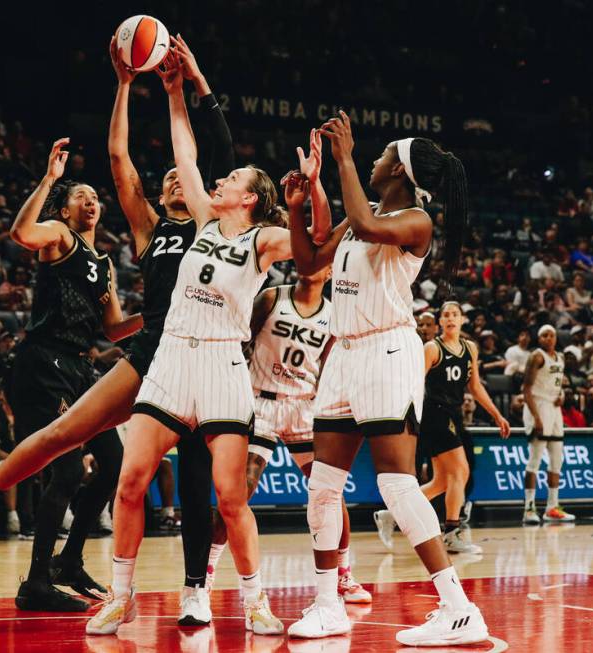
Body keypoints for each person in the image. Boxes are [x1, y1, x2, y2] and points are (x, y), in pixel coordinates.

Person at [0, 35, 241, 625]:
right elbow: (120, 161)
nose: (179, 179)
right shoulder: (150, 228)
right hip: (154, 350)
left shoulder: (212, 221)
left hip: (208, 357)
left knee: (196, 482)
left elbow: (216, 156)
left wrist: (193, 87)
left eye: (186, 175)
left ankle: (195, 587)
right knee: (63, 433)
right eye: (170, 177)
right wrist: (125, 84)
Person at [86, 44, 294, 636]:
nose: (218, 180)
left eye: (232, 180)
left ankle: (254, 599)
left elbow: (312, 247)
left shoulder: (263, 240)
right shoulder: (202, 217)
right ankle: (121, 595)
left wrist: (314, 201)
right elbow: (186, 149)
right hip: (172, 357)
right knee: (130, 481)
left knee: (230, 496)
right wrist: (175, 91)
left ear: (249, 198)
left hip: (224, 366)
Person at [285, 115, 488, 645]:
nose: (372, 159)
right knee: (323, 488)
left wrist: (344, 160)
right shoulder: (362, 216)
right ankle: (328, 604)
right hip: (345, 353)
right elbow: (308, 263)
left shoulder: (416, 220)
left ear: (399, 167)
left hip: (387, 349)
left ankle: (458, 608)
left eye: (379, 156)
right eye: (366, 156)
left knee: (395, 484)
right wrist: (297, 207)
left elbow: (371, 228)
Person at [0, 139, 140, 612]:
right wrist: (48, 179)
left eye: (95, 196)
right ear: (64, 211)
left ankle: (69, 560)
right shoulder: (58, 238)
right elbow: (21, 232)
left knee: (112, 463)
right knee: (65, 469)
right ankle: (36, 581)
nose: (92, 201)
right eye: (81, 196)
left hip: (83, 367)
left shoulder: (104, 263)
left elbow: (114, 328)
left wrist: (158, 313)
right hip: (42, 360)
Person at [205, 265, 374, 605]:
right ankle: (204, 575)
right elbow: (239, 341)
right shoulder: (271, 298)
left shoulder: (334, 315)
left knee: (329, 490)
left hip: (304, 408)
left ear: (328, 272)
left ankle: (344, 575)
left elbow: (330, 367)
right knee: (238, 492)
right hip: (260, 403)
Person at [378, 301, 510, 555]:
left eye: (455, 314)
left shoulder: (470, 348)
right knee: (461, 471)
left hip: (454, 414)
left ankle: (391, 515)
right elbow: (414, 382)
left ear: (462, 320)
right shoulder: (432, 348)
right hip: (433, 414)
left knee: (442, 482)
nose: (450, 318)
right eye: (445, 315)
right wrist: (405, 415)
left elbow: (475, 387)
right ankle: (451, 532)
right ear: (440, 322)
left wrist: (496, 415)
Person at [521, 325, 575, 525]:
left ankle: (552, 507)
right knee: (534, 460)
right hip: (538, 406)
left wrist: (561, 395)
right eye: (544, 335)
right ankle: (529, 508)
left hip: (554, 408)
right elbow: (526, 389)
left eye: (552, 335)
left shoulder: (560, 357)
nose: (549, 338)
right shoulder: (536, 356)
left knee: (557, 460)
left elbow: (556, 384)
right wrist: (536, 417)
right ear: (539, 338)